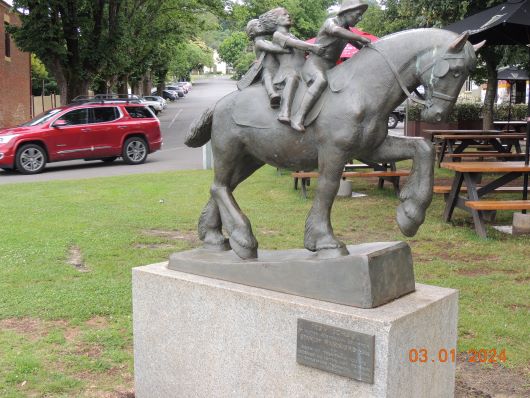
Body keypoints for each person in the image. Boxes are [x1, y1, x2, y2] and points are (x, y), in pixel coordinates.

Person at [290, 0, 371, 132]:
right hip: (315, 64)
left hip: (332, 67)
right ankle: (298, 117)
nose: (359, 18)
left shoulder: (347, 32)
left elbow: (361, 47)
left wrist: (373, 48)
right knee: (320, 81)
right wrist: (359, 37)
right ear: (346, 12)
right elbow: (334, 31)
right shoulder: (331, 23)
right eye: (358, 14)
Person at [258, 8, 324, 124]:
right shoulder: (277, 35)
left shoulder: (293, 35)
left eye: (288, 14)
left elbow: (299, 46)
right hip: (288, 70)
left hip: (302, 69)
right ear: (275, 21)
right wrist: (312, 47)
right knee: (292, 78)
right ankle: (284, 112)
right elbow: (295, 44)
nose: (288, 16)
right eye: (284, 15)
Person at [238, 19, 290, 108]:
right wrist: (288, 49)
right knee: (267, 76)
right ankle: (272, 94)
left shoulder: (267, 42)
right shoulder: (258, 42)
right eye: (256, 25)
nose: (259, 25)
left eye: (260, 24)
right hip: (267, 68)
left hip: (277, 68)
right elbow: (273, 49)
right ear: (251, 33)